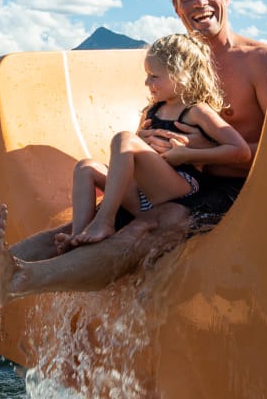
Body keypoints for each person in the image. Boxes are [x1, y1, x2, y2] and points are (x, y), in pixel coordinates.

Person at [0, 0, 267, 308]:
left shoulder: (260, 61)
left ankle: (18, 280)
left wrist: (198, 149)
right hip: (172, 178)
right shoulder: (174, 65)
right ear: (176, 6)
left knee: (148, 225)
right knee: (79, 226)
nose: (199, 3)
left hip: (229, 190)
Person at [60, 33, 251, 251]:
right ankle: (77, 237)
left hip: (178, 187)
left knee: (124, 139)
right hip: (144, 195)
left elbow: (240, 151)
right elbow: (129, 157)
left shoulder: (197, 111)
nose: (146, 82)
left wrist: (188, 155)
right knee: (86, 167)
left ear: (181, 75)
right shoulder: (152, 110)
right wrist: (140, 139)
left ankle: (104, 220)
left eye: (154, 76)